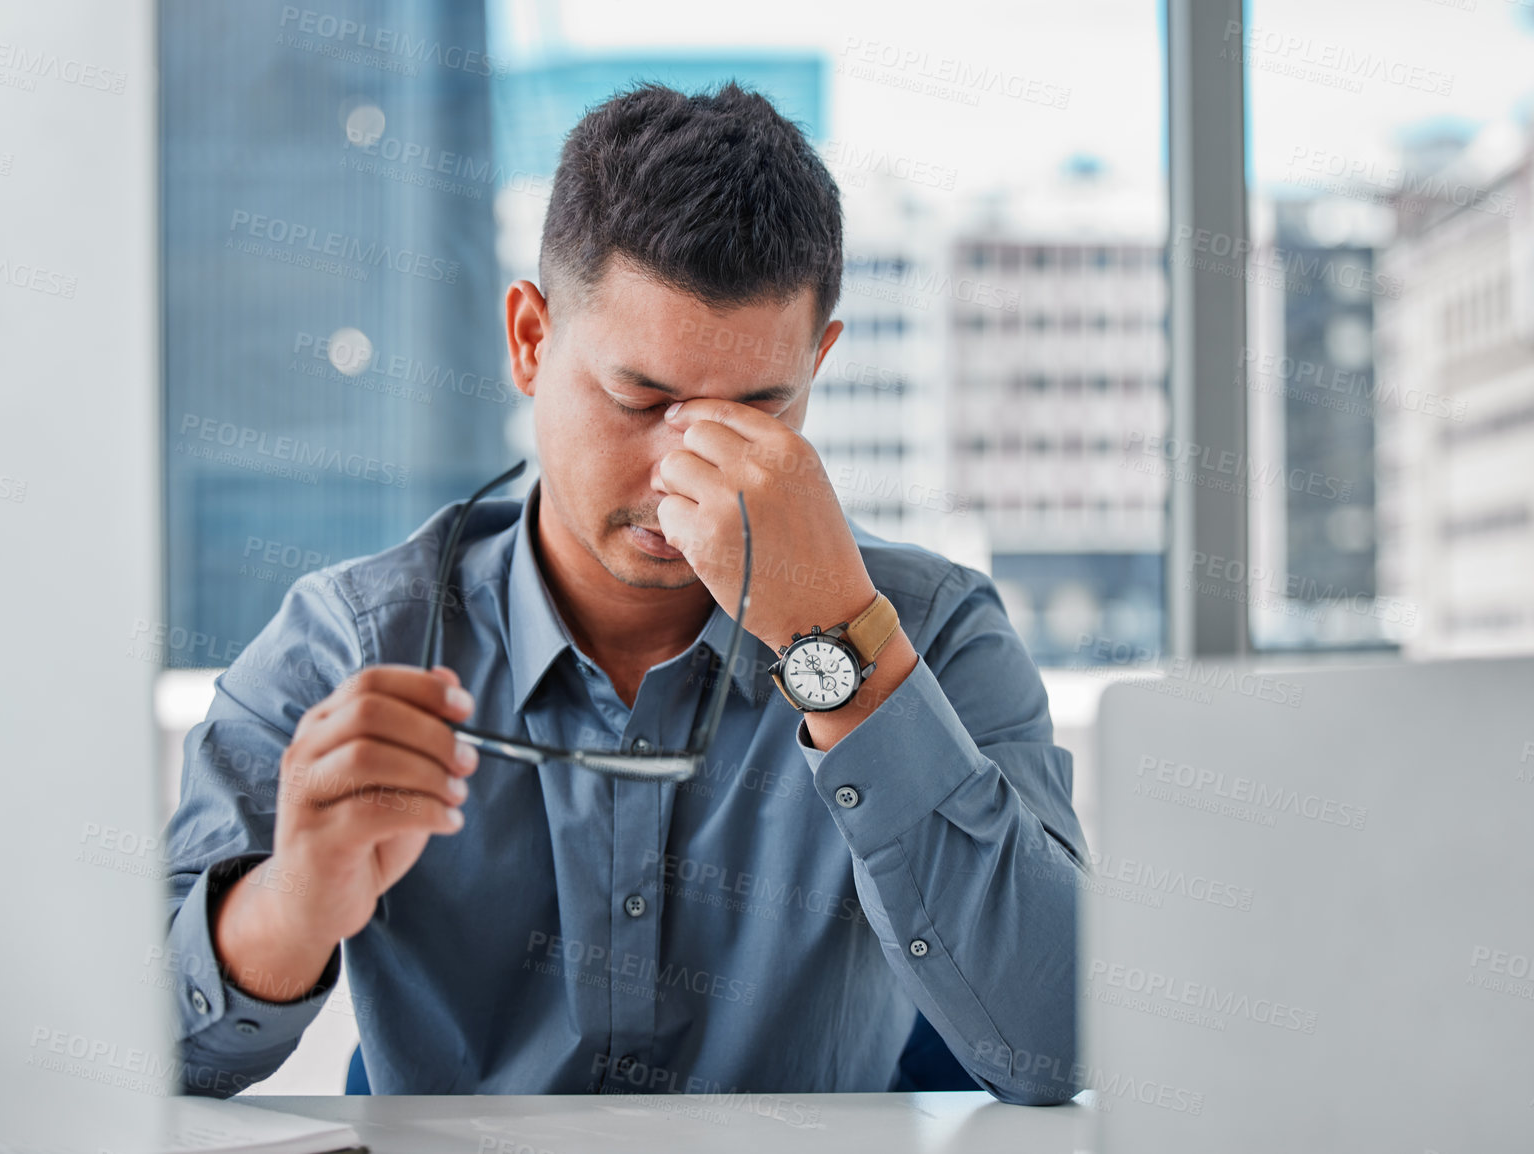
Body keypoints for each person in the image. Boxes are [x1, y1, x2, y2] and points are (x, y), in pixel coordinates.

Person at [164, 81, 1086, 1105]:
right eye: (638, 399)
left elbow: (1059, 1045)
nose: (682, 471)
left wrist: (841, 650)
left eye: (758, 408)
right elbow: (131, 1044)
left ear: (817, 367)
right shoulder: (349, 642)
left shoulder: (934, 633)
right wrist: (291, 906)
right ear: (529, 340)